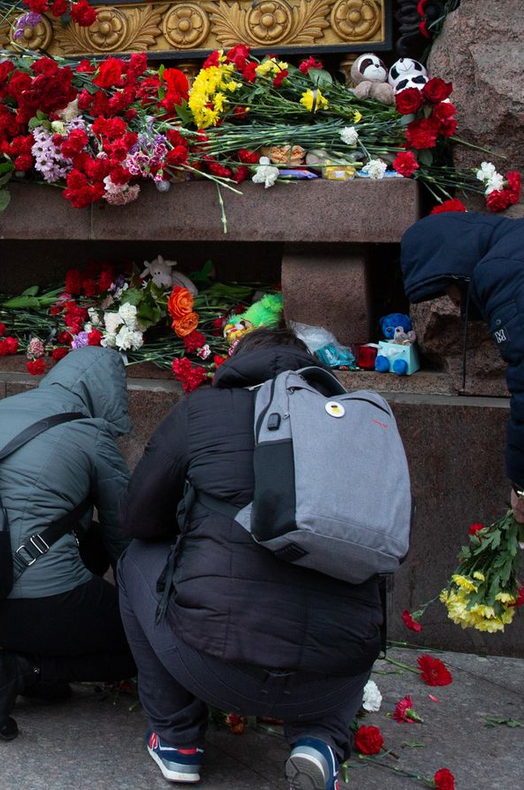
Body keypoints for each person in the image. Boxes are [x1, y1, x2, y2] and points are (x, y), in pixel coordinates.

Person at [117, 328, 384, 789]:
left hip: (216, 667)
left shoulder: (203, 410)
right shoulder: (363, 426)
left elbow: (138, 520)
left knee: (134, 561)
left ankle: (178, 738)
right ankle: (321, 739)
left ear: (238, 361)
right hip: (335, 677)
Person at [0, 346, 136, 742]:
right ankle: (23, 670)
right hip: (38, 605)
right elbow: (126, 535)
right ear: (108, 393)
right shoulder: (91, 433)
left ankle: (34, 663)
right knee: (145, 642)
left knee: (79, 540)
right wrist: (147, 607)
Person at [400, 211, 524, 526]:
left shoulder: (502, 272)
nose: (454, 304)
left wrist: (521, 486)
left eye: (445, 292)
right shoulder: (514, 245)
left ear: (453, 273)